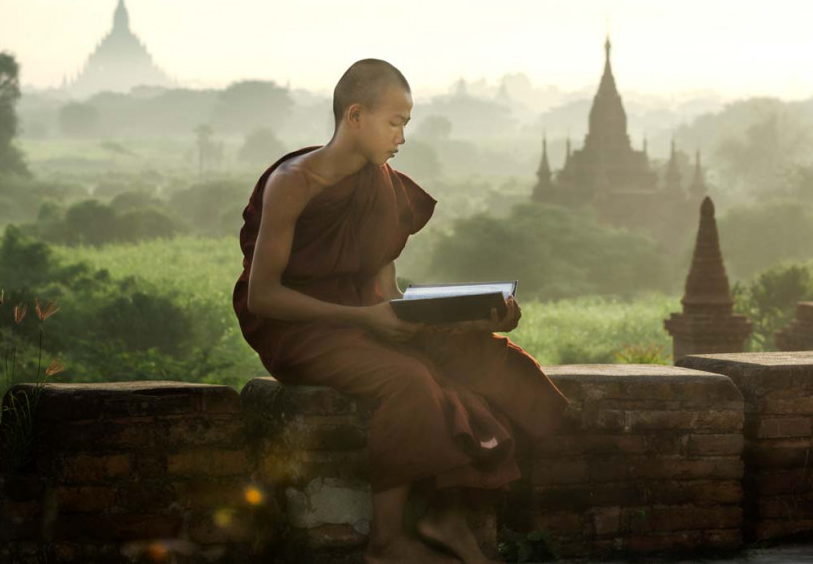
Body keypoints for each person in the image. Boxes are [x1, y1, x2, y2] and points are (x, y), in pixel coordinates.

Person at [232, 59, 569, 564]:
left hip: (364, 320)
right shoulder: (294, 182)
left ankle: (445, 512)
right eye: (395, 122)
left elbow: (384, 291)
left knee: (483, 359)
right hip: (298, 331)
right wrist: (367, 321)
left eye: (405, 124)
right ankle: (387, 543)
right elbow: (264, 296)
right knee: (409, 381)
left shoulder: (382, 184)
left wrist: (474, 320)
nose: (401, 138)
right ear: (355, 116)